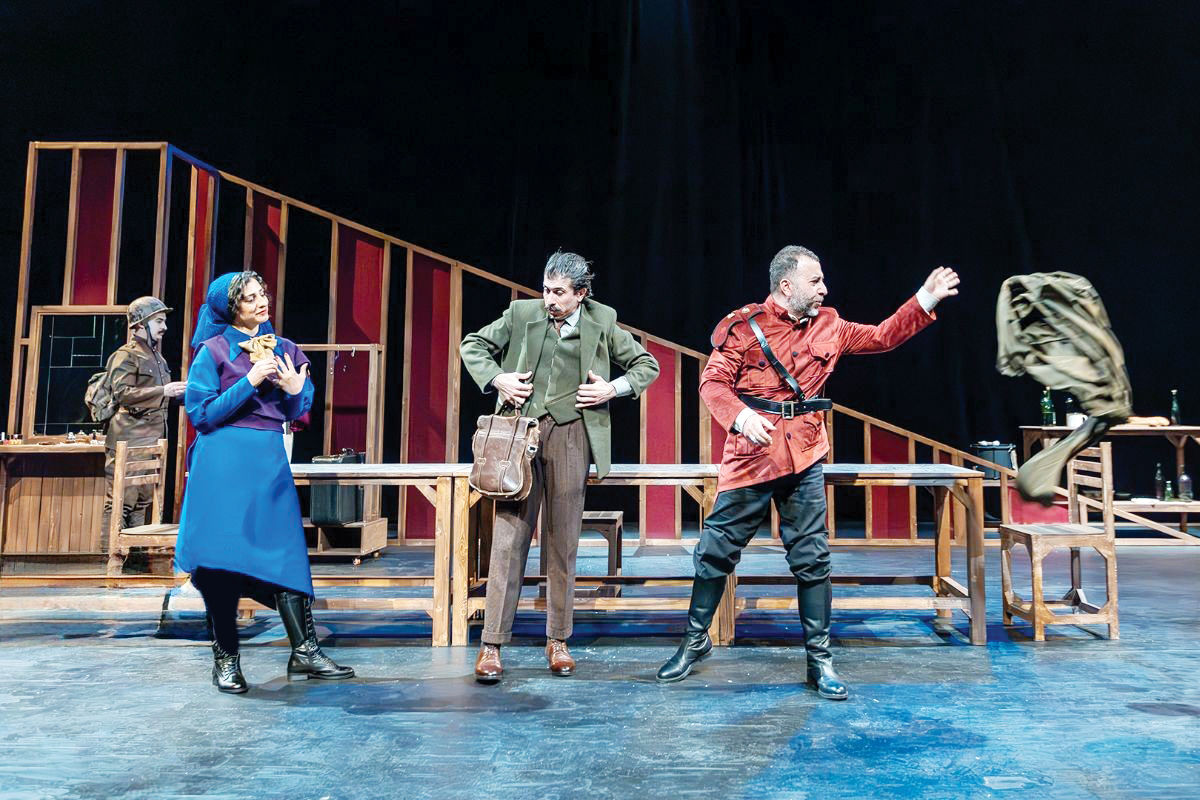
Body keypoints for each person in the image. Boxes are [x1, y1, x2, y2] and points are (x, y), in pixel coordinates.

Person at [656, 245, 960, 699]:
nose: (824, 289)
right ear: (786, 285)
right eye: (815, 281)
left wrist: (925, 298)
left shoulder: (830, 324)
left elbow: (882, 336)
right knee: (715, 551)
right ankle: (695, 640)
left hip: (804, 453)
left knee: (813, 559)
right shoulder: (745, 327)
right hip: (753, 455)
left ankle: (820, 659)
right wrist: (741, 417)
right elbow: (713, 383)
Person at [460, 250, 660, 682]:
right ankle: (492, 644)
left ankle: (558, 639)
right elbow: (472, 344)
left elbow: (647, 364)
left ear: (581, 294)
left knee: (563, 542)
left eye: (559, 292)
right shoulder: (521, 314)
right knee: (509, 540)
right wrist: (498, 378)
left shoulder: (602, 320)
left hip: (571, 435)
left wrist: (611, 389)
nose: (549, 299)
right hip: (520, 435)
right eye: (546, 290)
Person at [175, 270, 354, 694]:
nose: (261, 302)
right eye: (250, 298)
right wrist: (250, 380)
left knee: (285, 555)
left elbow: (297, 414)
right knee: (220, 563)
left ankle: (305, 650)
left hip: (267, 462)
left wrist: (294, 389)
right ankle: (226, 661)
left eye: (262, 294)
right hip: (221, 465)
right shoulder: (213, 352)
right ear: (230, 307)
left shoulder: (285, 349)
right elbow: (202, 415)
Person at [101, 297, 187, 544]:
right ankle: (110, 557)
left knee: (142, 503)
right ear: (140, 324)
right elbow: (123, 394)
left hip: (152, 440)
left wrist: (185, 394)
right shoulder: (125, 356)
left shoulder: (158, 358)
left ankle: (136, 557)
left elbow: (160, 399)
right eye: (158, 321)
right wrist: (163, 391)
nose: (164, 327)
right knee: (120, 503)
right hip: (129, 439)